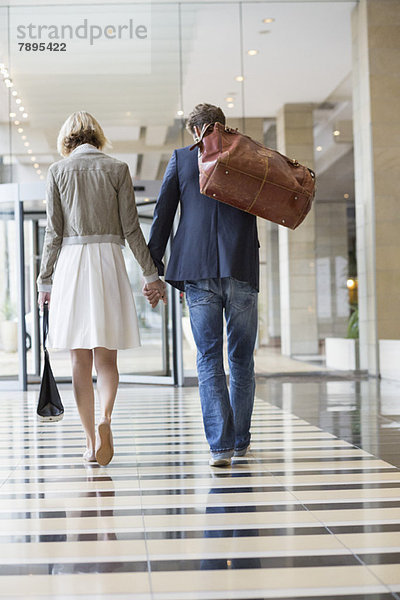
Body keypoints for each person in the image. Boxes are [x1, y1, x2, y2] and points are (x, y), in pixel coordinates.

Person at [37, 111, 166, 466]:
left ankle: (91, 441)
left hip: (72, 266)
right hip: (109, 261)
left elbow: (53, 234)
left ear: (68, 140)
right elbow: (131, 229)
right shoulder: (117, 168)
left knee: (80, 358)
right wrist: (150, 274)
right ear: (97, 136)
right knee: (107, 358)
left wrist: (44, 281)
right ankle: (106, 419)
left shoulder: (57, 172)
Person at [145, 103, 259, 467]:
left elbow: (163, 215)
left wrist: (154, 267)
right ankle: (240, 440)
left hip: (196, 270)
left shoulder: (181, 160)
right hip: (241, 265)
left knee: (209, 357)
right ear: (223, 127)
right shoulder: (248, 156)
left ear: (195, 132)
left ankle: (220, 448)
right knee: (241, 359)